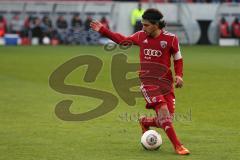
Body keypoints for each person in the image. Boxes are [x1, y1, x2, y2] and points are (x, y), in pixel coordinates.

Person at [90, 8, 190, 155]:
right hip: (148, 82)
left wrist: (179, 75)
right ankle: (178, 146)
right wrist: (103, 30)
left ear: (156, 25)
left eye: (146, 25)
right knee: (163, 113)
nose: (143, 28)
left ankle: (145, 121)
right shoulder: (140, 36)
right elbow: (123, 41)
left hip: (166, 84)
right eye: (142, 24)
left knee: (167, 120)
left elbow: (178, 58)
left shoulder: (171, 39)